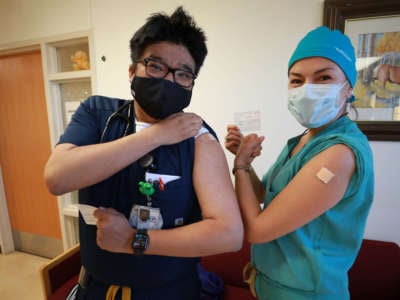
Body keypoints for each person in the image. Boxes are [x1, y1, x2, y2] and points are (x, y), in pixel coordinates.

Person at [44, 6, 243, 300]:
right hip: (94, 291)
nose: (169, 80)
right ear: (132, 70)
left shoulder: (198, 137)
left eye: (183, 73)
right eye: (156, 66)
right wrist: (157, 135)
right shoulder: (99, 114)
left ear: (191, 83)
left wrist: (133, 240)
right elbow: (57, 178)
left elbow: (229, 234)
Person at [225, 26, 374, 300]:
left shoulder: (339, 154)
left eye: (323, 78)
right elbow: (263, 193)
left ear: (348, 88)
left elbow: (258, 230)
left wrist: (242, 167)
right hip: (267, 285)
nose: (307, 90)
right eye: (297, 80)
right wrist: (243, 159)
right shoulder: (304, 140)